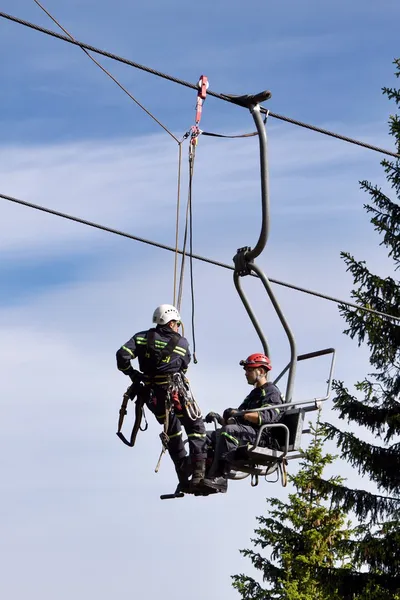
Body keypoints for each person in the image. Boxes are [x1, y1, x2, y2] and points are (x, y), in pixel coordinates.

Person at [116, 304, 207, 492]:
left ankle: (183, 479)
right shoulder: (182, 343)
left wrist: (133, 374)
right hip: (175, 394)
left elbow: (122, 355)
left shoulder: (141, 337)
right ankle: (198, 474)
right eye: (177, 324)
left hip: (153, 398)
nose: (177, 327)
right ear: (172, 322)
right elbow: (184, 366)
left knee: (173, 433)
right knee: (196, 428)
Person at [202, 353, 283, 493]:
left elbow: (267, 417)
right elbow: (237, 419)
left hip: (260, 436)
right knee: (205, 437)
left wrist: (241, 414)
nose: (246, 373)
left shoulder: (271, 392)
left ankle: (220, 477)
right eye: (246, 370)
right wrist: (220, 418)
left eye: (249, 370)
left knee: (228, 432)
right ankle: (202, 476)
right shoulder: (253, 395)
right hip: (245, 432)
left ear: (261, 371)